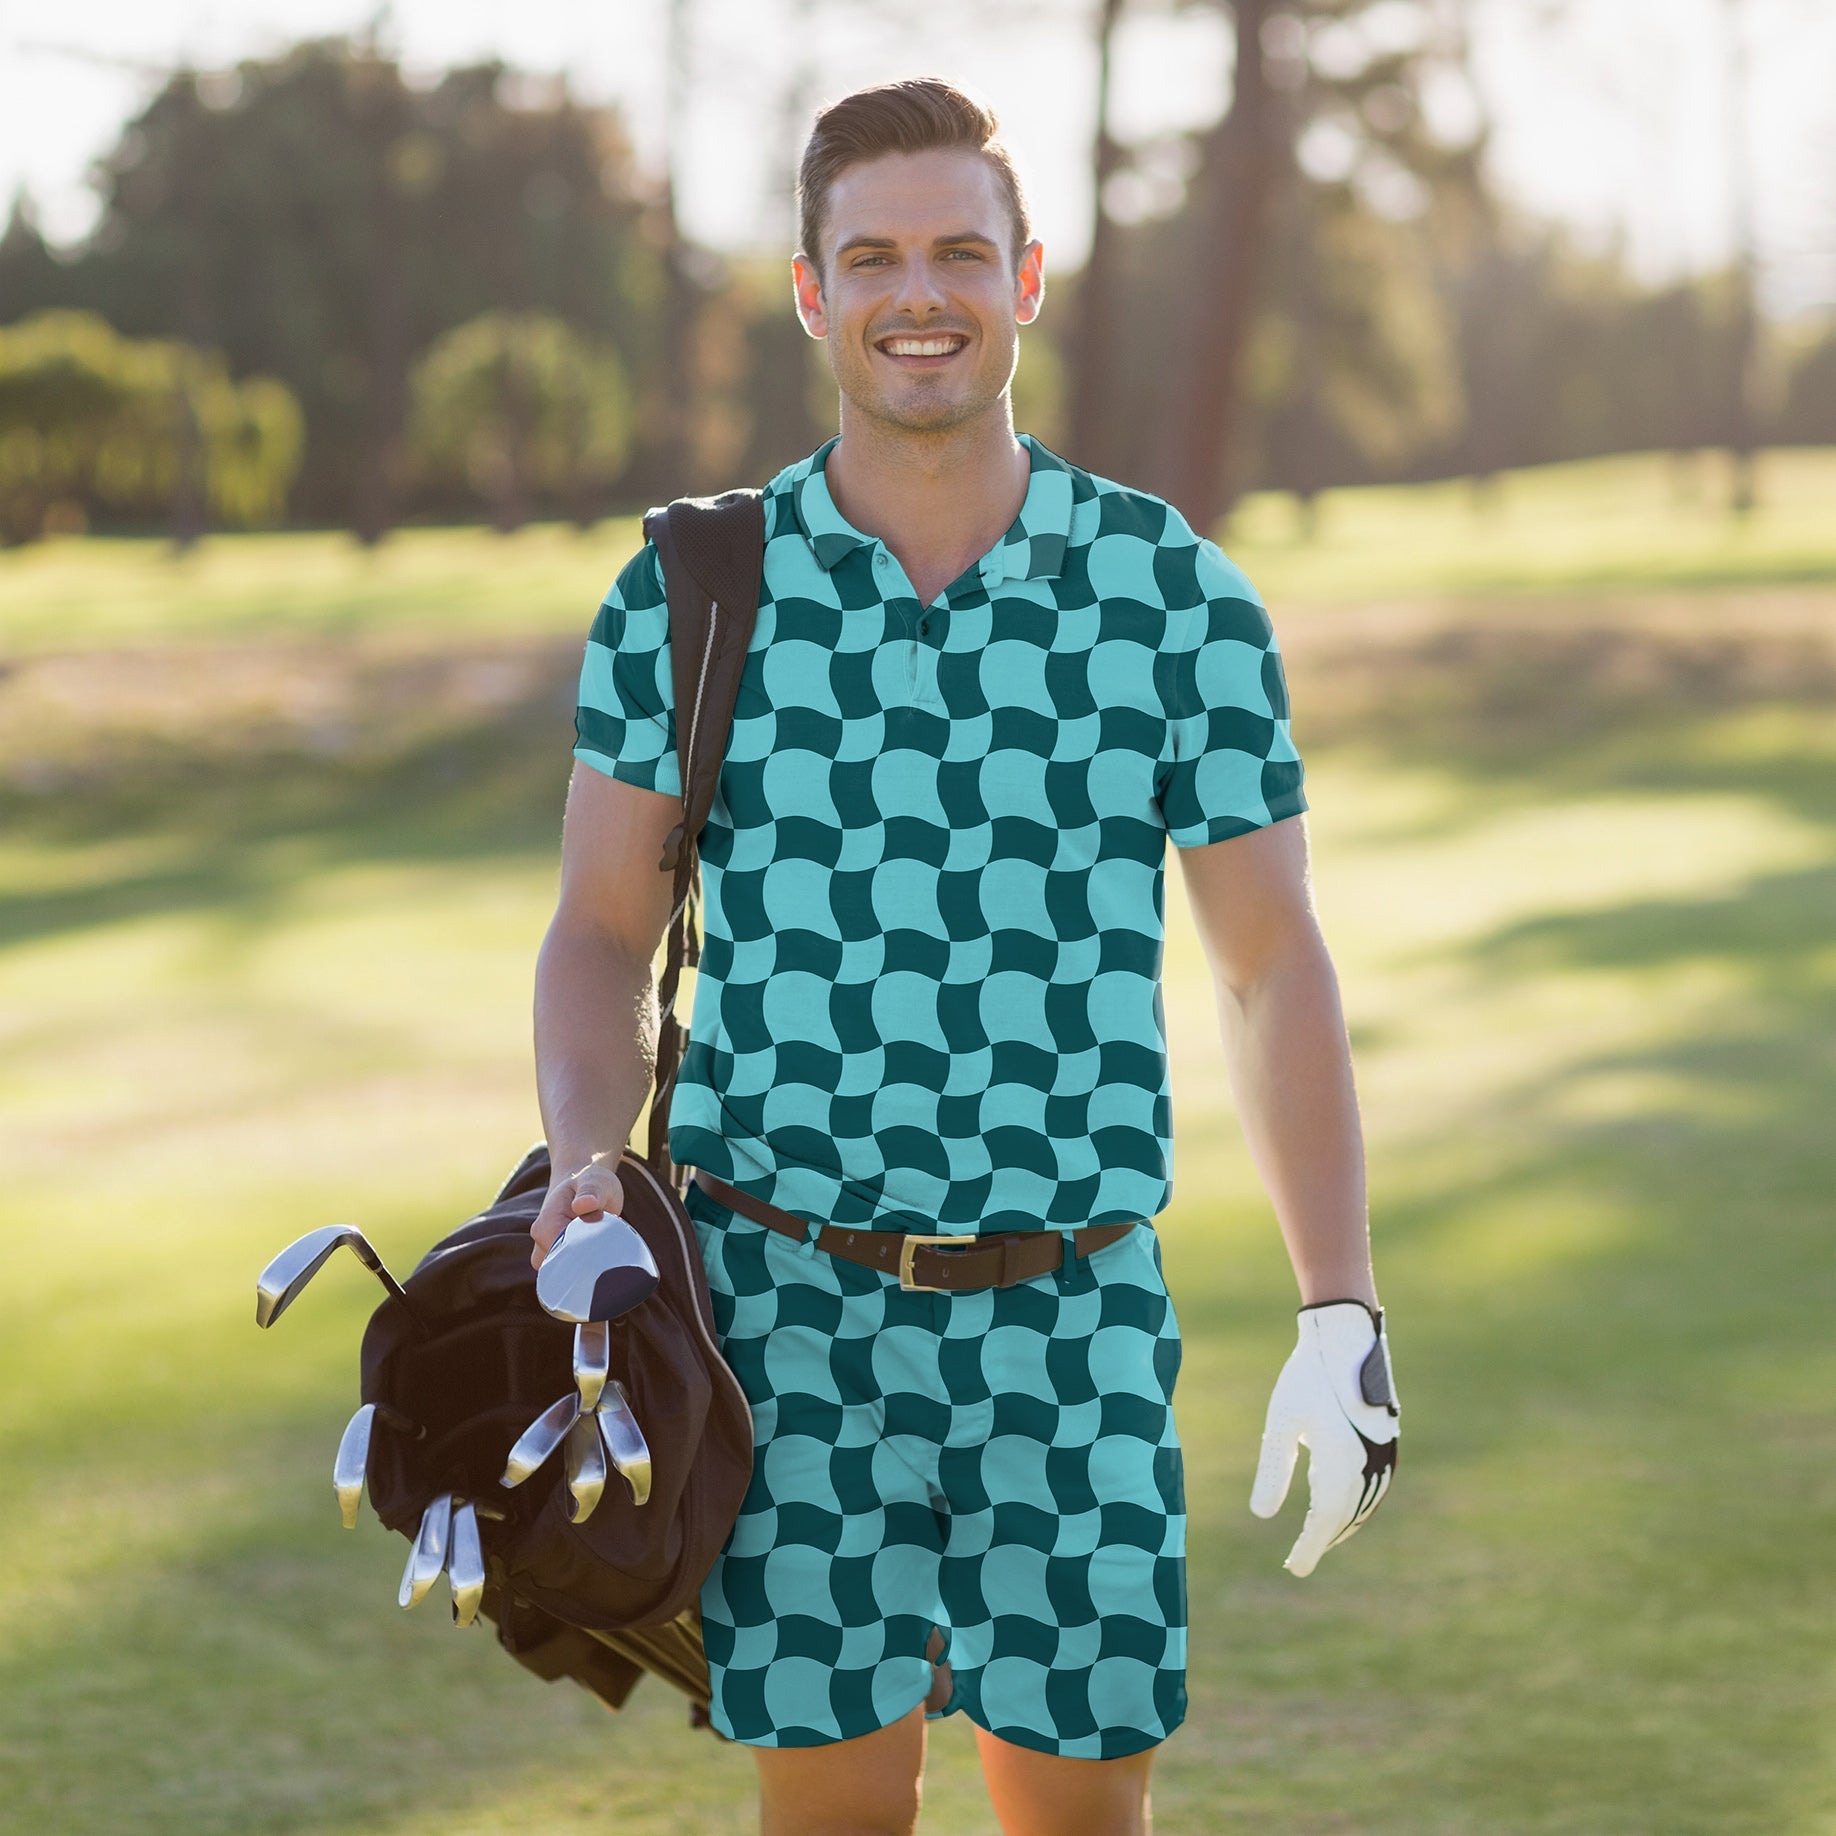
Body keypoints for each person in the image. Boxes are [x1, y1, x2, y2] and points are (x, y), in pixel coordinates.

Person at [530, 77, 1396, 1836]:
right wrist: (581, 1163)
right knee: (835, 1816)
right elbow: (602, 930)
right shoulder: (695, 590)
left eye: (957, 252)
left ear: (1030, 276)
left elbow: (1268, 967)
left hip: (1075, 1317)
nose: (917, 291)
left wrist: (1341, 1307)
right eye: (874, 257)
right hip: (781, 1319)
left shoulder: (1175, 597)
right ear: (810, 291)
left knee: (1081, 1814)